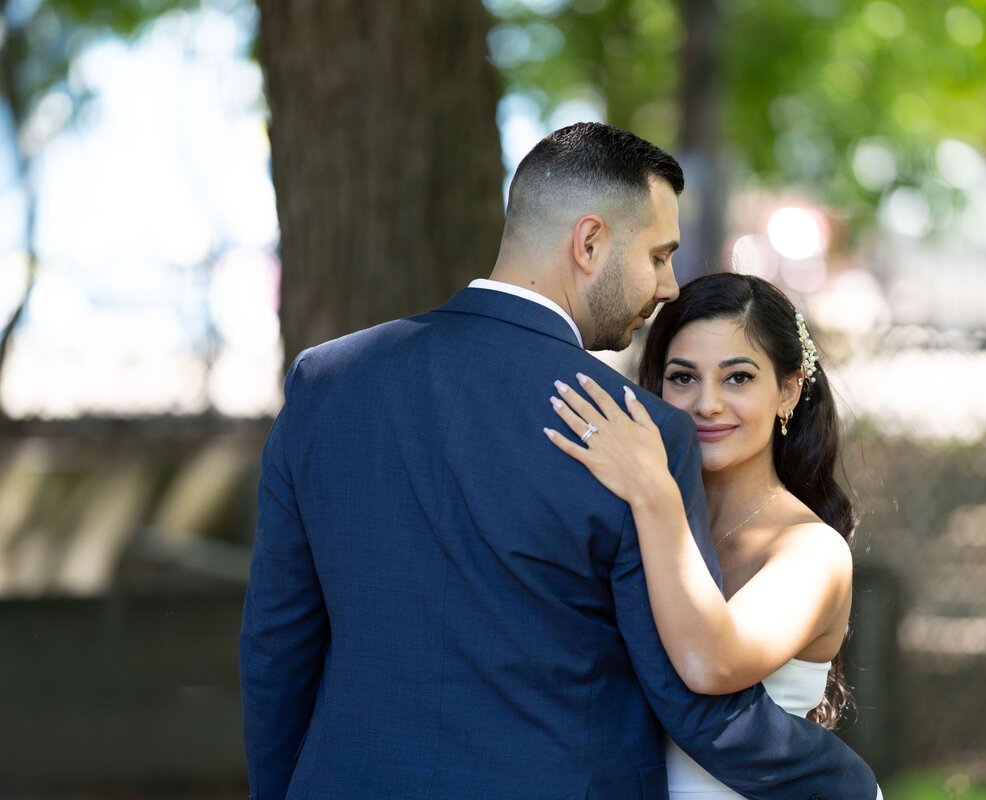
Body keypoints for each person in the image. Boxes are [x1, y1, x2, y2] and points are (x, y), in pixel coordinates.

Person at [240, 122, 878, 799]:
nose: (667, 286)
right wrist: (848, 782)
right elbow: (691, 700)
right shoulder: (632, 430)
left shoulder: (328, 382)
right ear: (591, 242)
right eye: (659, 256)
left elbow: (277, 648)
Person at [545, 273, 873, 799]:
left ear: (788, 391)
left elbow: (711, 663)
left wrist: (653, 492)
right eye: (682, 378)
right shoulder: (626, 513)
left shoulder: (812, 550)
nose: (708, 404)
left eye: (737, 378)